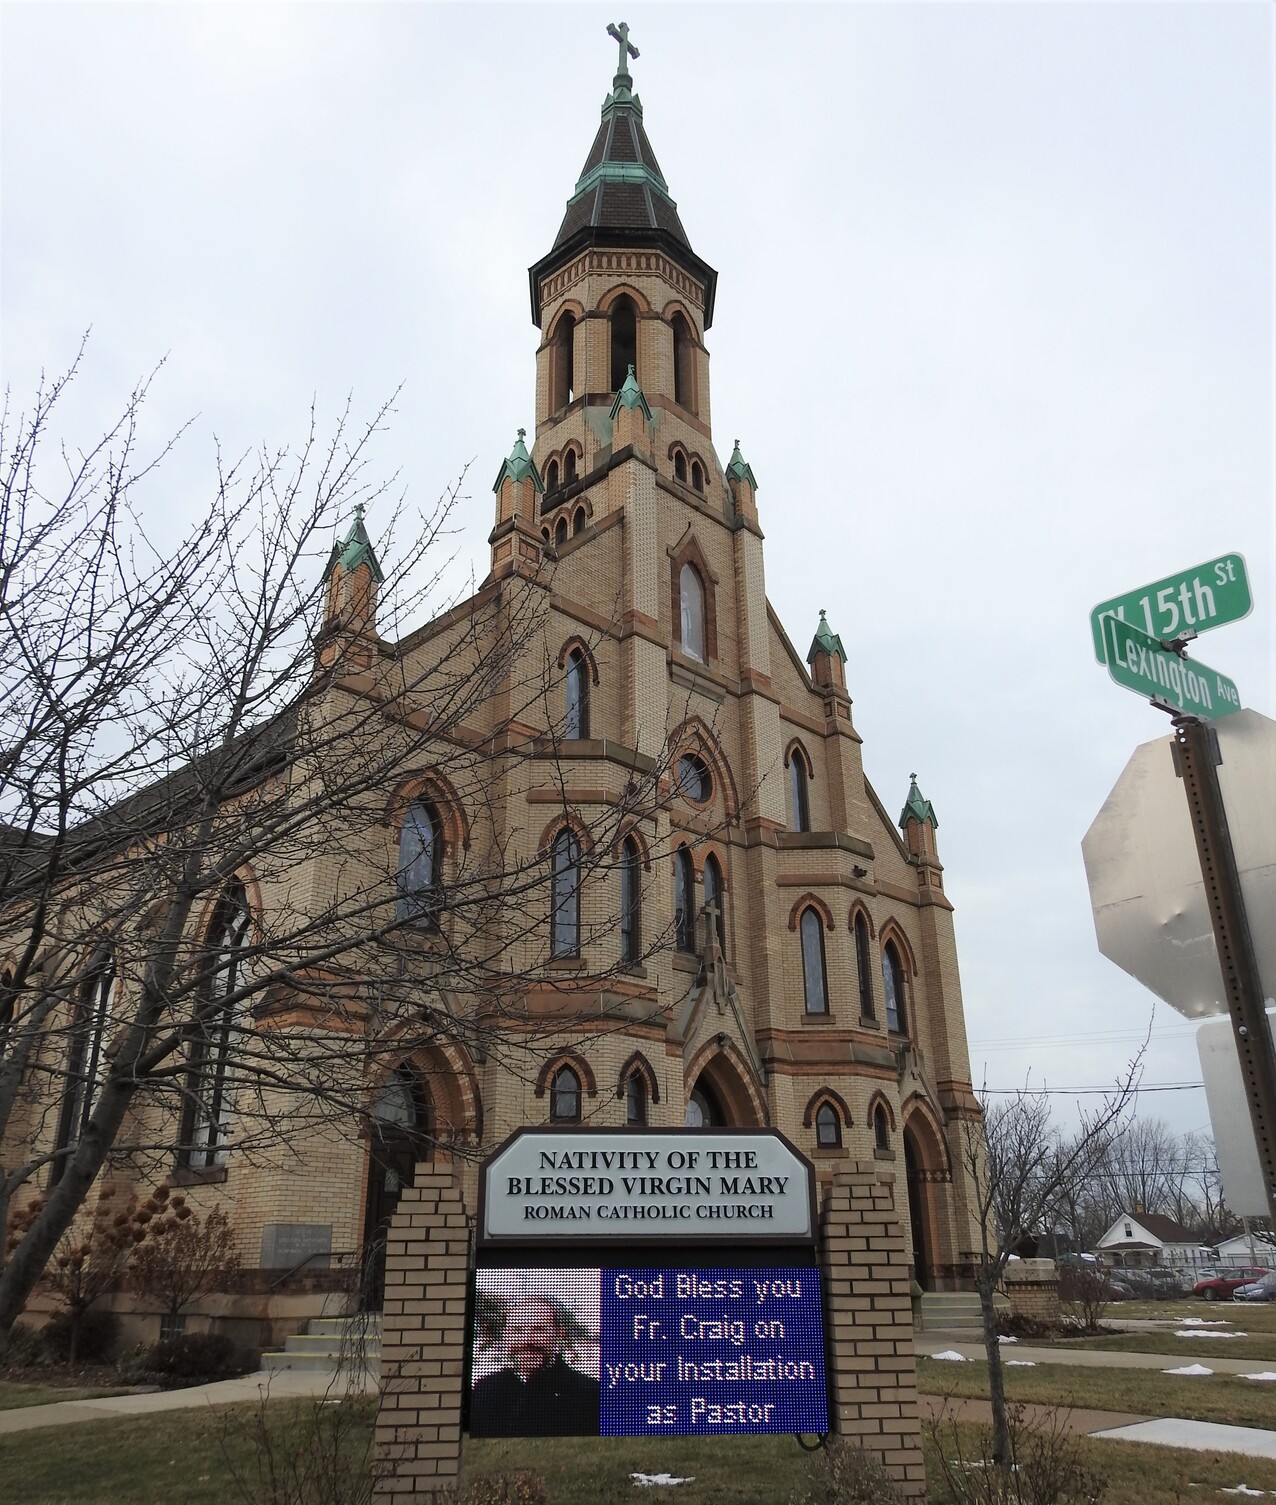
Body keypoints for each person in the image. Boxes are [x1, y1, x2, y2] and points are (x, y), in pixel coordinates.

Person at [469, 1293, 600, 1436]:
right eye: (517, 1331)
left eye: (539, 1330)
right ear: (505, 1335)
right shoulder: (484, 1390)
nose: (527, 1340)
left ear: (559, 1335)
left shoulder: (590, 1395)